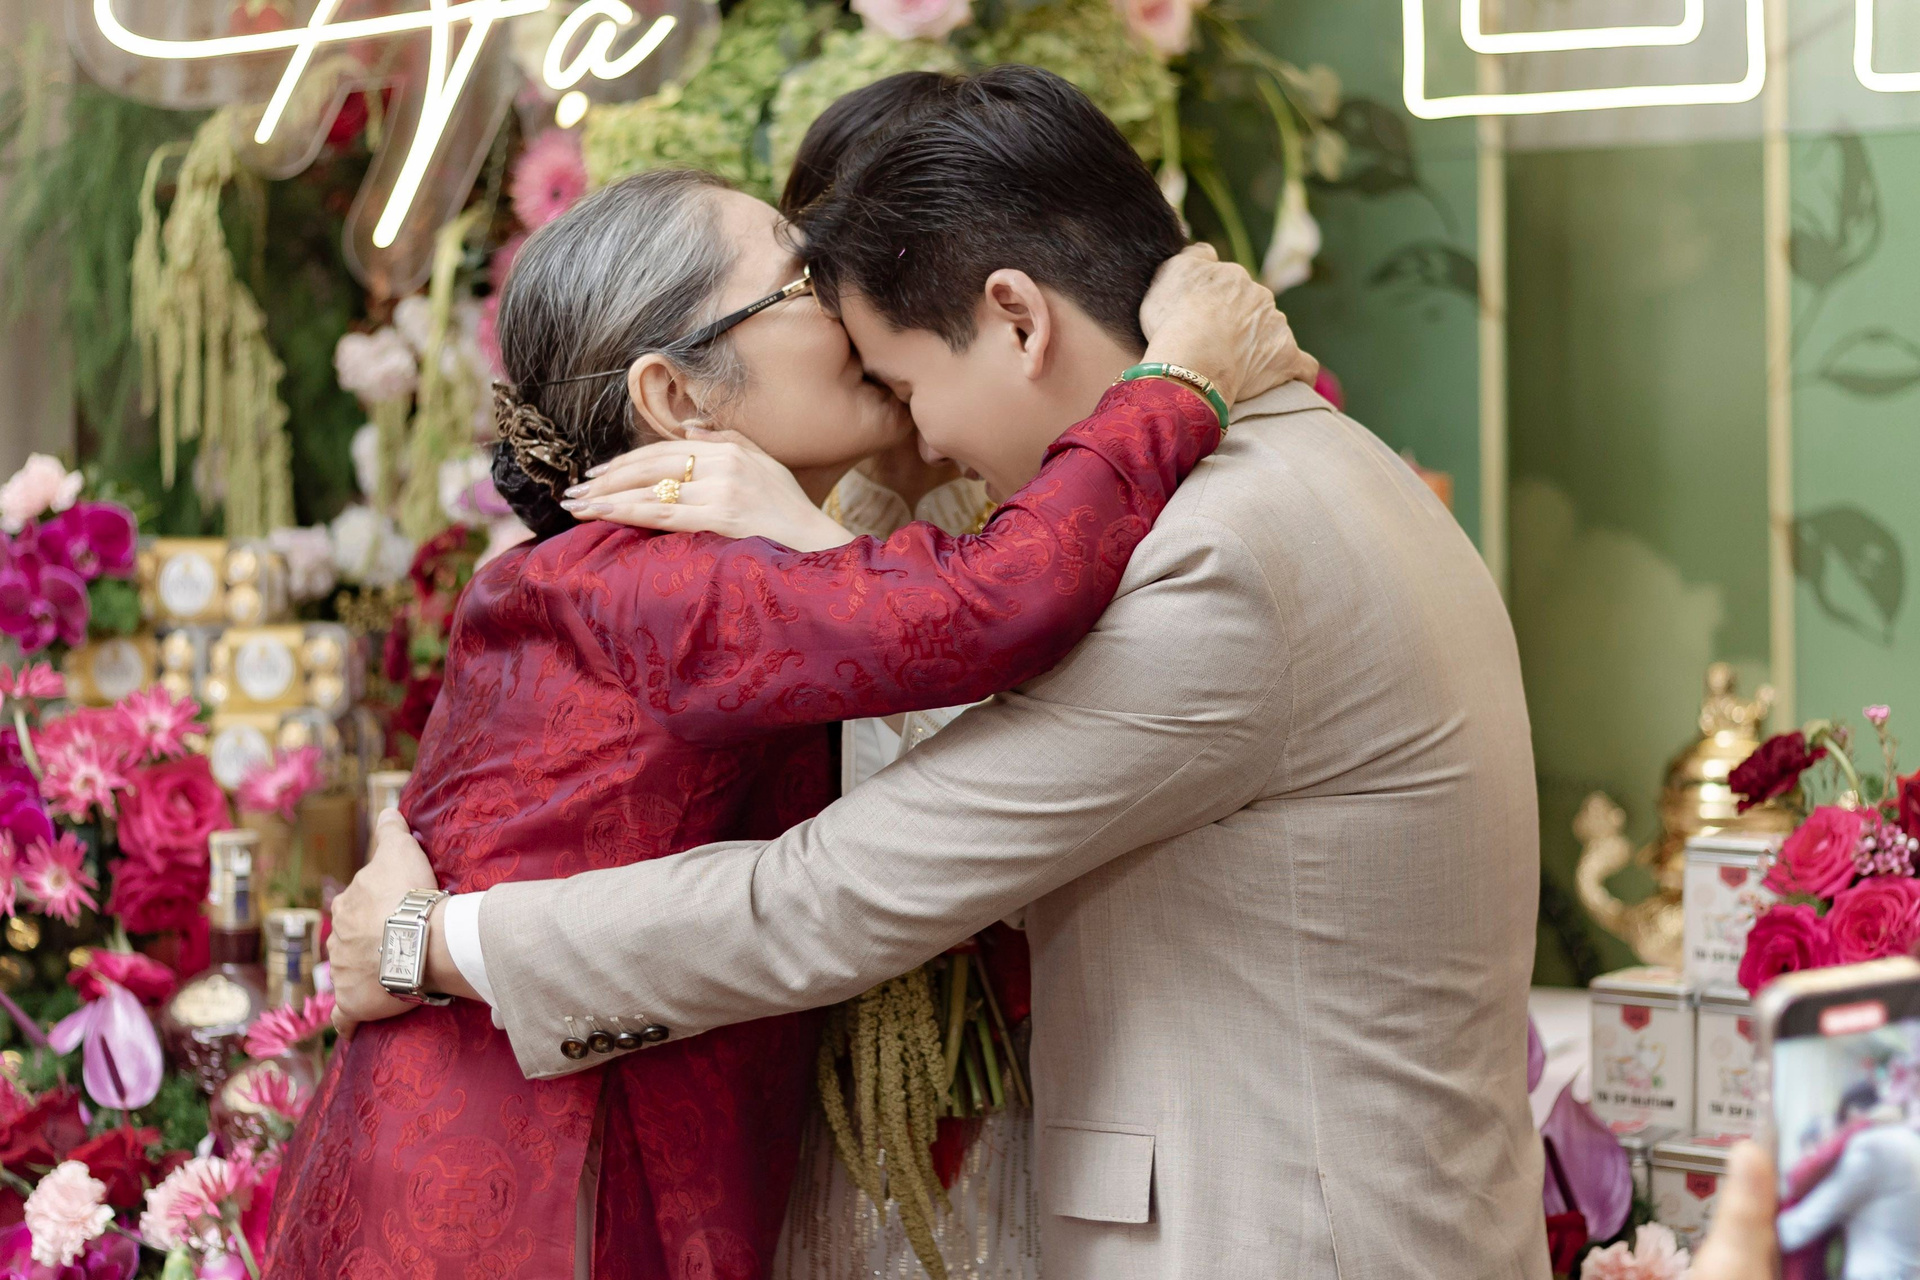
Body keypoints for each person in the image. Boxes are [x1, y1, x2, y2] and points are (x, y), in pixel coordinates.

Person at [332, 65, 1546, 1279]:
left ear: (1018, 319)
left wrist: (431, 939)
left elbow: (836, 886)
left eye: (906, 383)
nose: (920, 435)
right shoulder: (1309, 477)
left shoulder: (1216, 554)